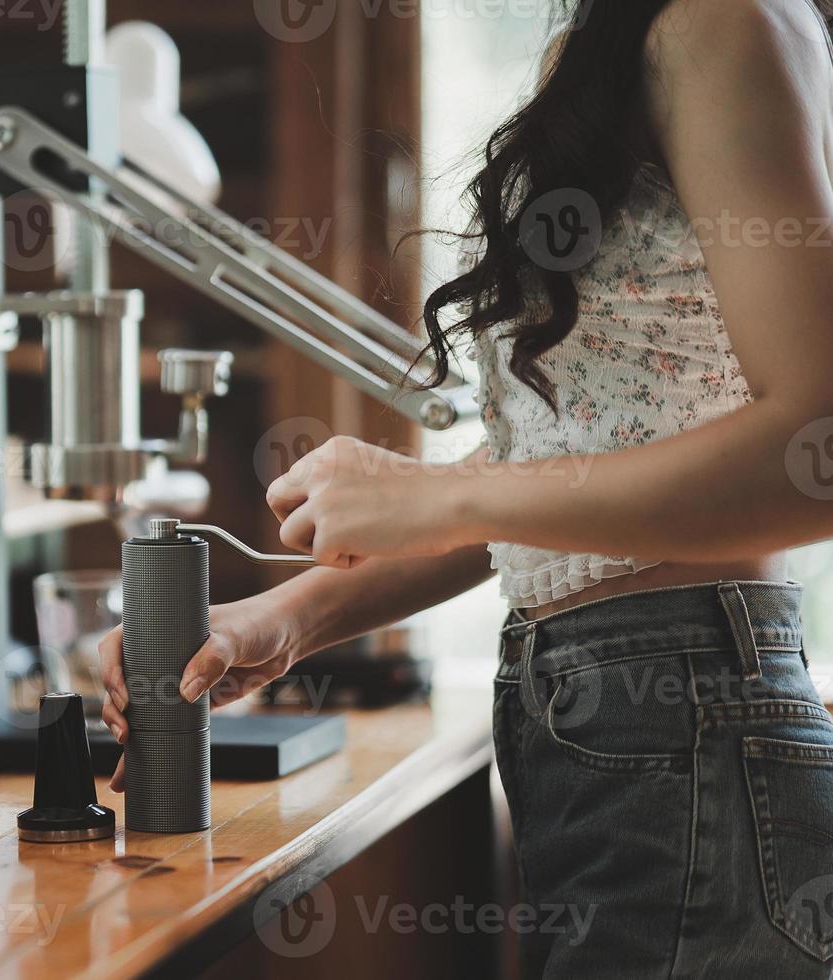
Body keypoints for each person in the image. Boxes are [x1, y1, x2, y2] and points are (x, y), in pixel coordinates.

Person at [100, 0, 833, 975]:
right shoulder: (611, 42)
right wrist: (281, 620)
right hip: (616, 716)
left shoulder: (726, 20)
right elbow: (570, 465)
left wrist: (439, 496)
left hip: (683, 713)